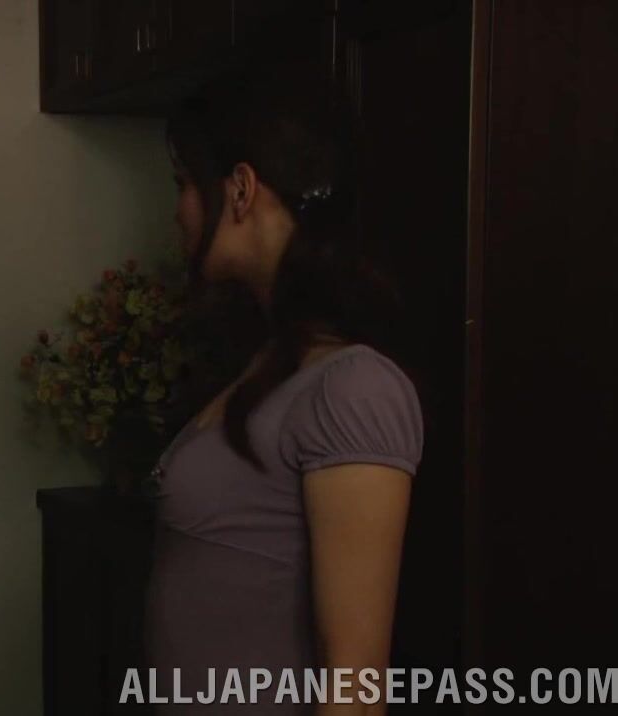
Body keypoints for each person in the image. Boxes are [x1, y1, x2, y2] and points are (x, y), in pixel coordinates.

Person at [143, 71, 425, 715]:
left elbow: (356, 686)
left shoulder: (353, 386)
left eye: (184, 184)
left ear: (240, 189)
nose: (177, 211)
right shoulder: (266, 363)